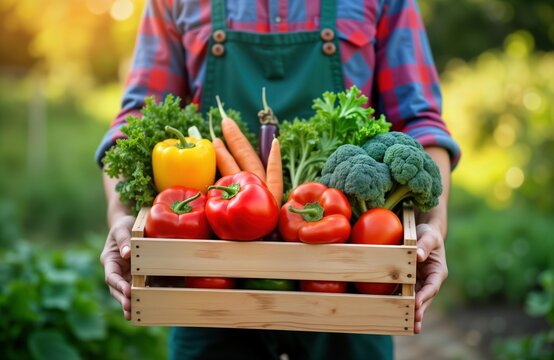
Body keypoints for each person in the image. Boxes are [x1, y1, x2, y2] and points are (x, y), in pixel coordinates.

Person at [97, 0, 460, 359]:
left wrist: (434, 222)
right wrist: (121, 215)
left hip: (349, 290)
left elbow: (420, 121)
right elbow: (137, 122)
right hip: (208, 285)